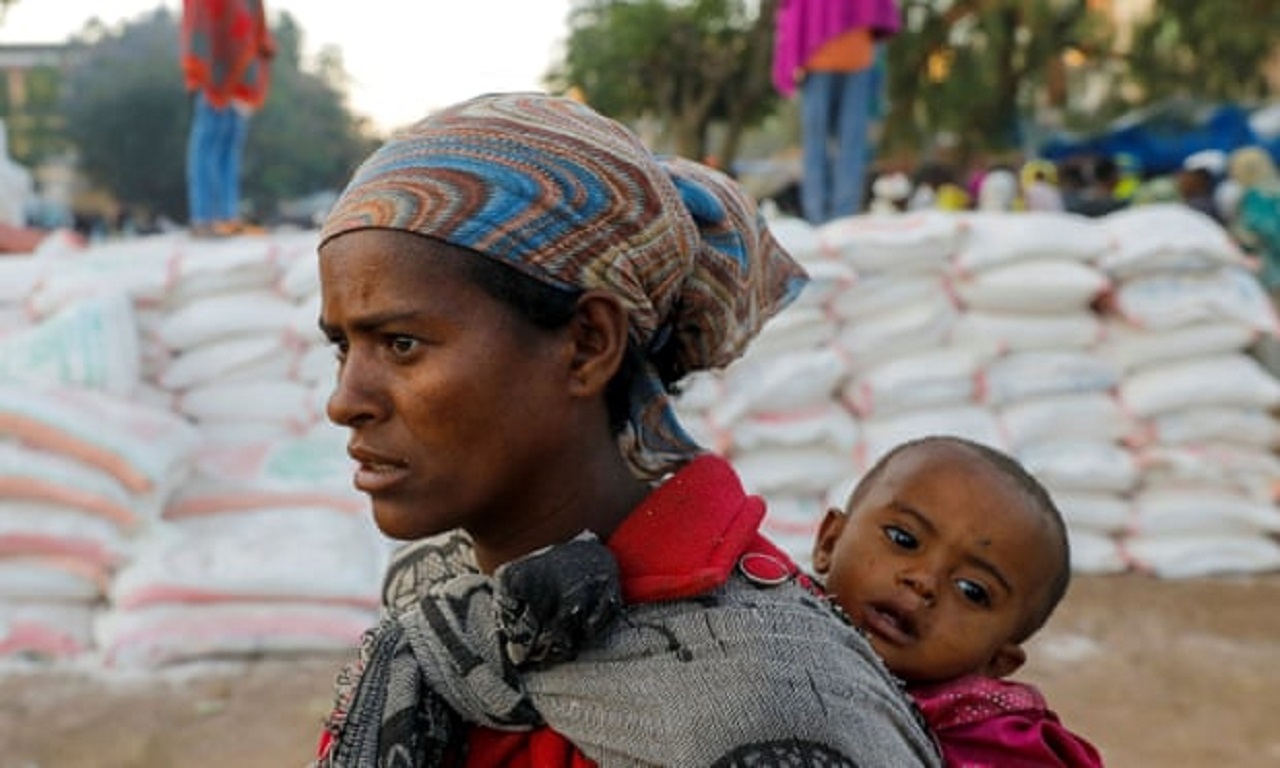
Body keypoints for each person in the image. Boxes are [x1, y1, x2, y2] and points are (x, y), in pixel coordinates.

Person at [311, 92, 941, 767]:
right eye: (343, 348)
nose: (345, 401)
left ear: (587, 344)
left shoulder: (773, 699)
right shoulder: (440, 603)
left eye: (402, 344)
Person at [811, 435, 1105, 767]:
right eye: (903, 539)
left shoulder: (1002, 749)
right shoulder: (765, 628)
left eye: (972, 590)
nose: (924, 581)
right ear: (830, 542)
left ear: (996, 662)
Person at [772, 0, 901, 225]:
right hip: (823, 56)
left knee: (841, 141)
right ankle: (823, 216)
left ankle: (838, 216)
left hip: (853, 55)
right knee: (826, 141)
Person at [180, 0, 275, 238]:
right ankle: (204, 217)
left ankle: (226, 216)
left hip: (240, 69)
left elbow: (253, 19)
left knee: (230, 142)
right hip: (214, 67)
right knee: (209, 140)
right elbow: (200, 20)